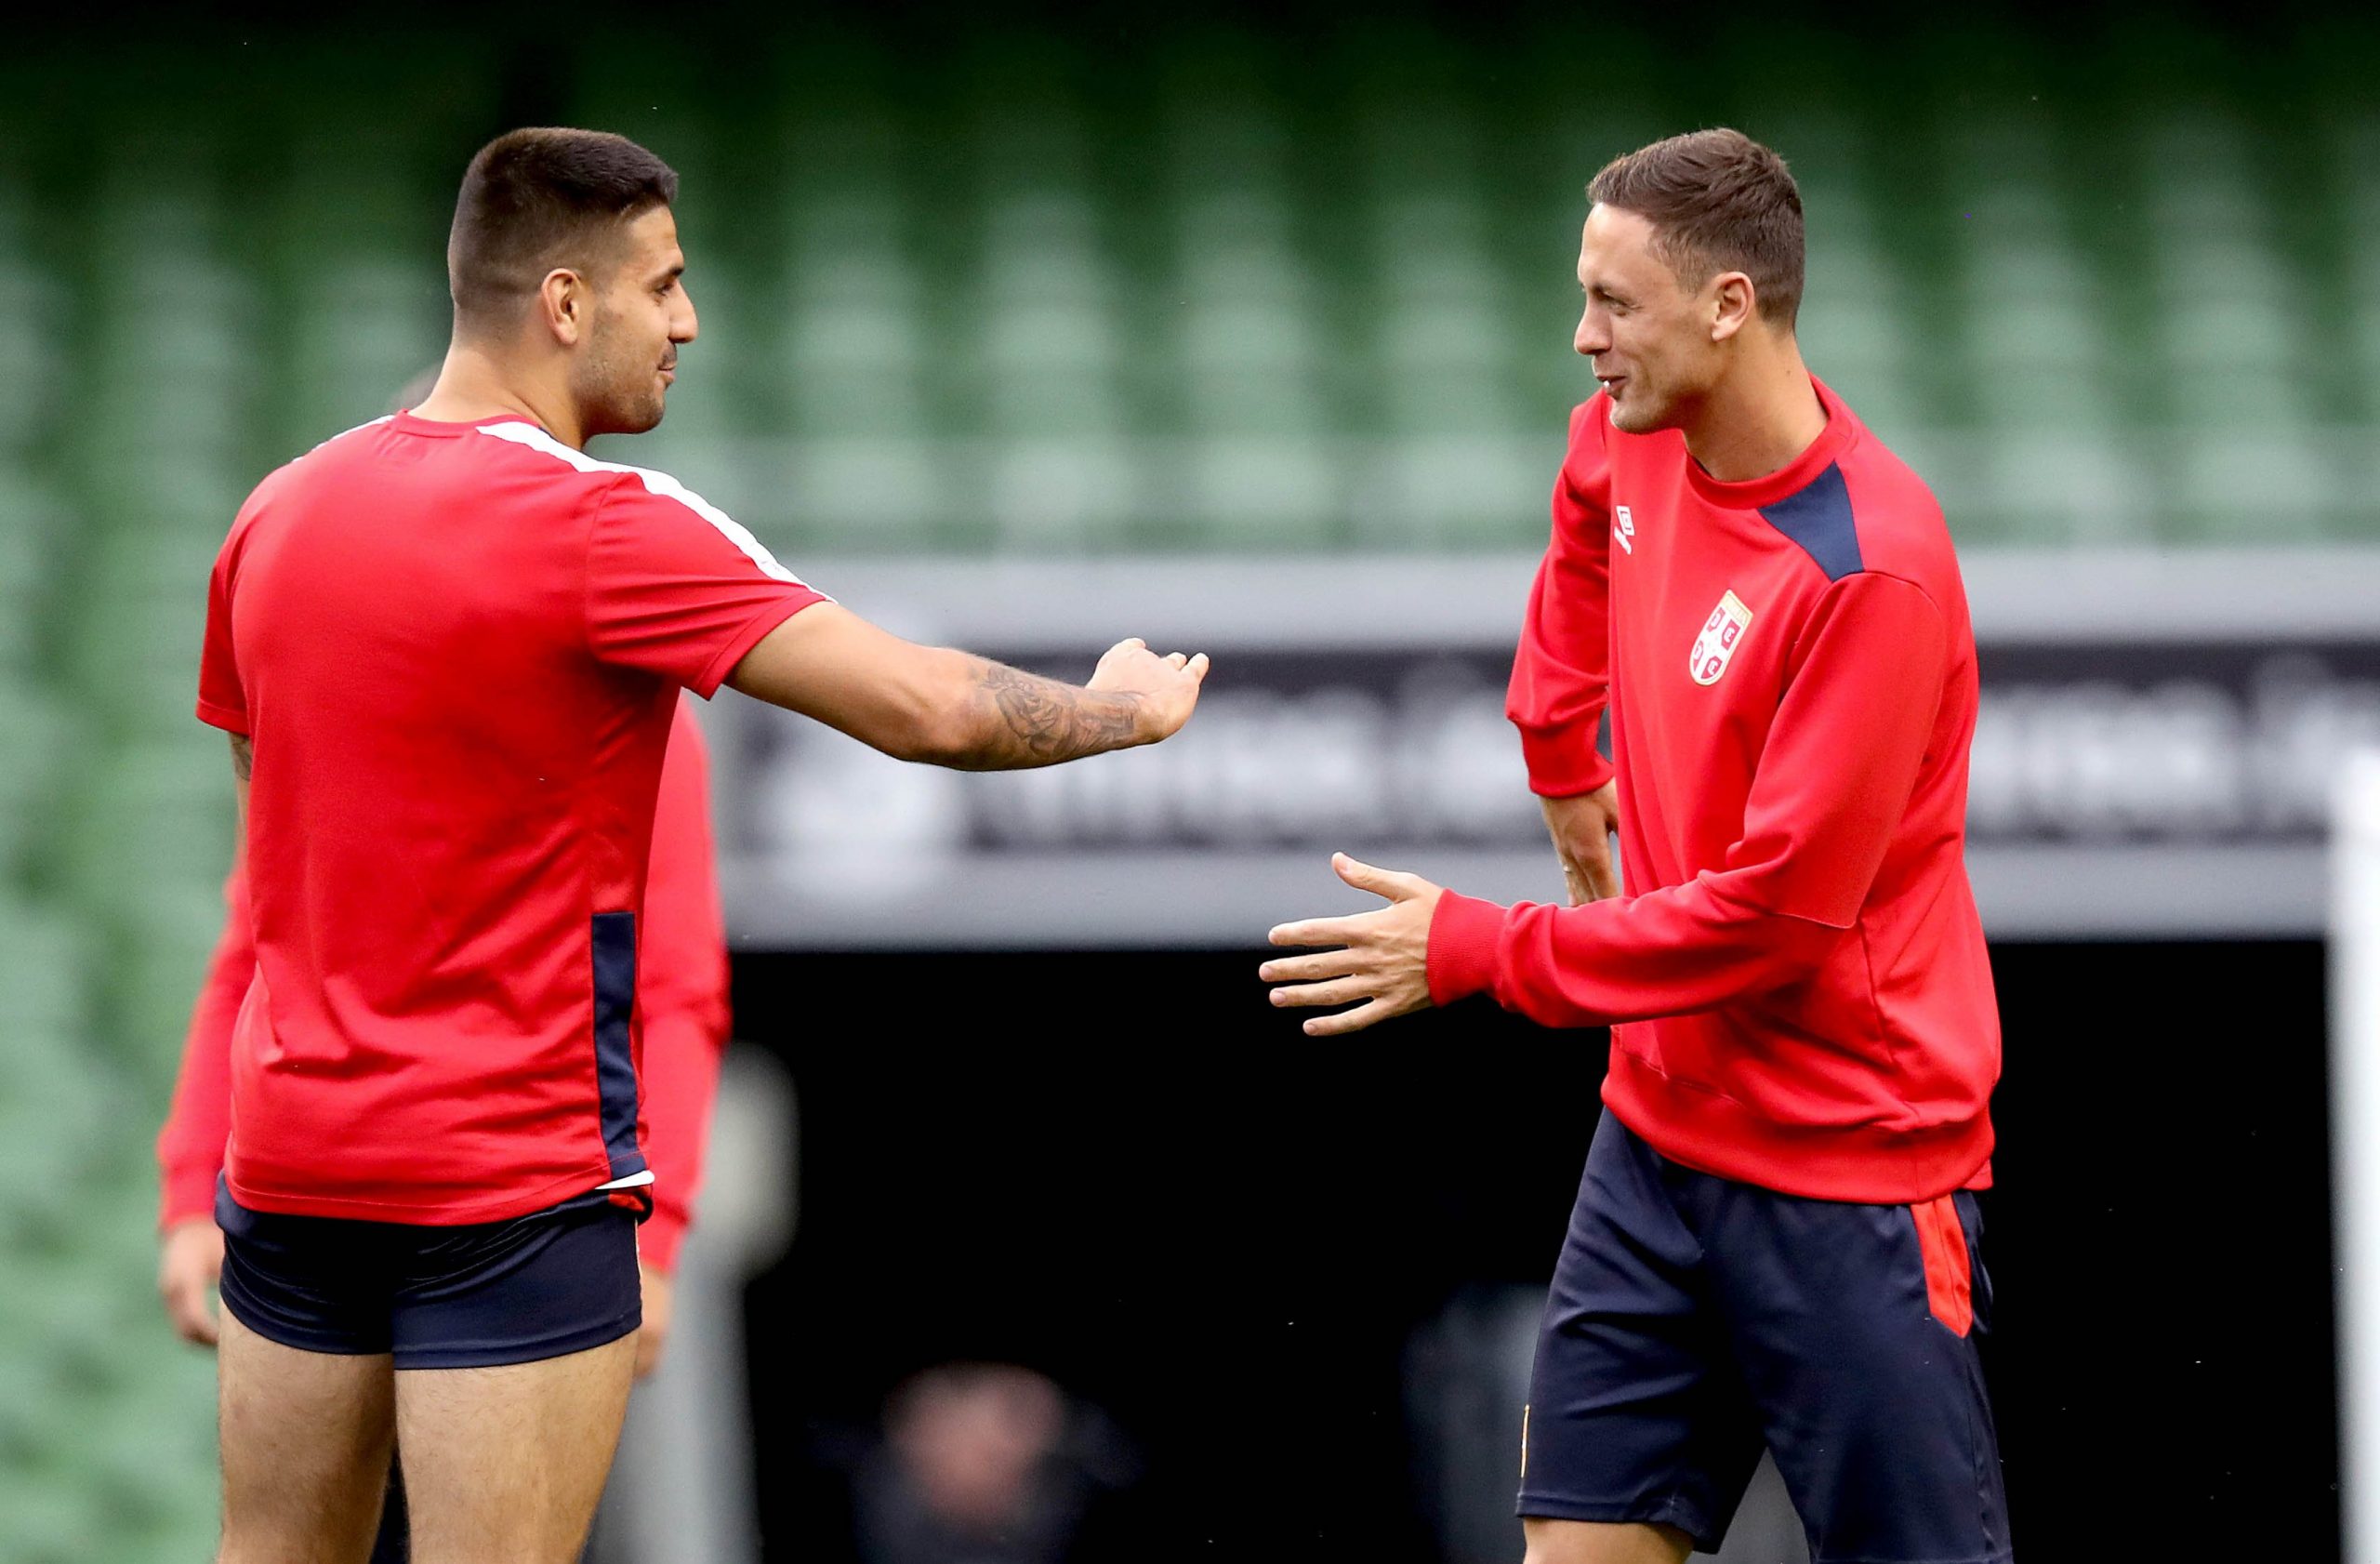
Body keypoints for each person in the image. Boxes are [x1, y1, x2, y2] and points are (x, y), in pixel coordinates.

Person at [195, 126, 1208, 1564]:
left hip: (293, 1158)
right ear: (564, 303)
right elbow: (928, 711)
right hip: (511, 1180)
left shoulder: (274, 511)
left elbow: (268, 806)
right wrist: (1119, 713)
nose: (687, 320)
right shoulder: (606, 524)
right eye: (661, 283)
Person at [1262, 129, 2007, 1564]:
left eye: (1614, 302)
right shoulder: (1626, 432)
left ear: (1730, 304)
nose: (1583, 336)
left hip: (1850, 1174)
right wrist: (1559, 751)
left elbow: (1773, 924)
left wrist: (1481, 947)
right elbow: (1579, 539)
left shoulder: (1872, 569)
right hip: (1657, 1141)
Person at [158, 696, 729, 1562]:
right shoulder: (335, 674)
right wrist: (194, 1181)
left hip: (524, 1223)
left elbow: (672, 979)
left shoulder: (623, 703)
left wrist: (658, 1238)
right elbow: (260, 941)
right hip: (324, 1216)